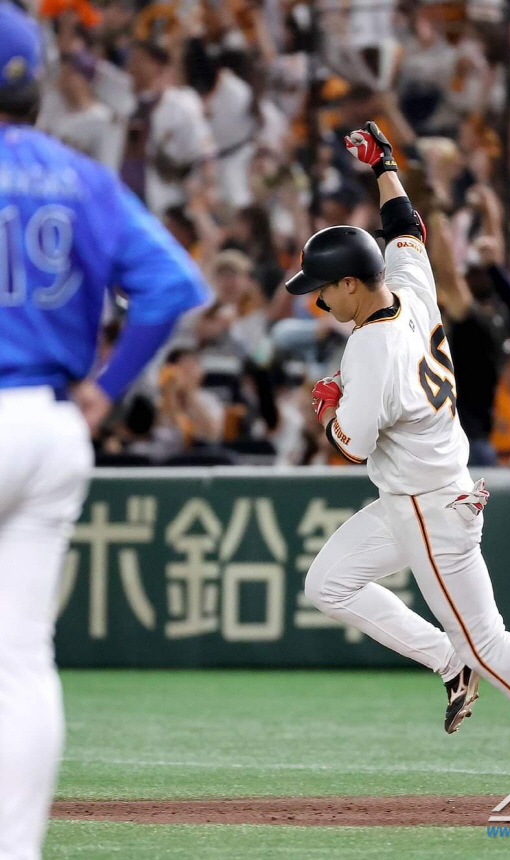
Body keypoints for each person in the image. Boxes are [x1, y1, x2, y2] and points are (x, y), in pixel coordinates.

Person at [286, 121, 510, 795]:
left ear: (351, 284)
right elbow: (406, 224)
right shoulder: (409, 285)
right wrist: (383, 162)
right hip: (412, 498)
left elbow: (349, 447)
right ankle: (446, 662)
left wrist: (328, 406)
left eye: (322, 290)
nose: (317, 301)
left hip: (430, 509)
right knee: (328, 585)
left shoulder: (369, 347)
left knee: (487, 641)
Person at [0, 5, 207, 858]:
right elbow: (173, 285)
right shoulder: (81, 176)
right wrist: (108, 388)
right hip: (51, 428)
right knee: (20, 658)